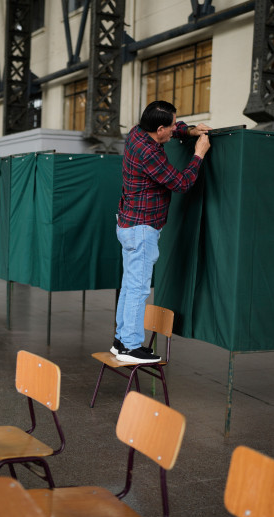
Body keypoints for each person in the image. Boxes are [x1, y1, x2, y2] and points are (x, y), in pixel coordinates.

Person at [112, 100, 211, 363]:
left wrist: (187, 131)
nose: (172, 129)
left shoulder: (137, 132)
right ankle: (130, 348)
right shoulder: (150, 153)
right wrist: (198, 153)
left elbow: (172, 128)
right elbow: (180, 183)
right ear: (158, 129)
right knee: (138, 289)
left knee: (129, 286)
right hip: (142, 228)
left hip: (128, 223)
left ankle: (121, 341)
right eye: (170, 126)